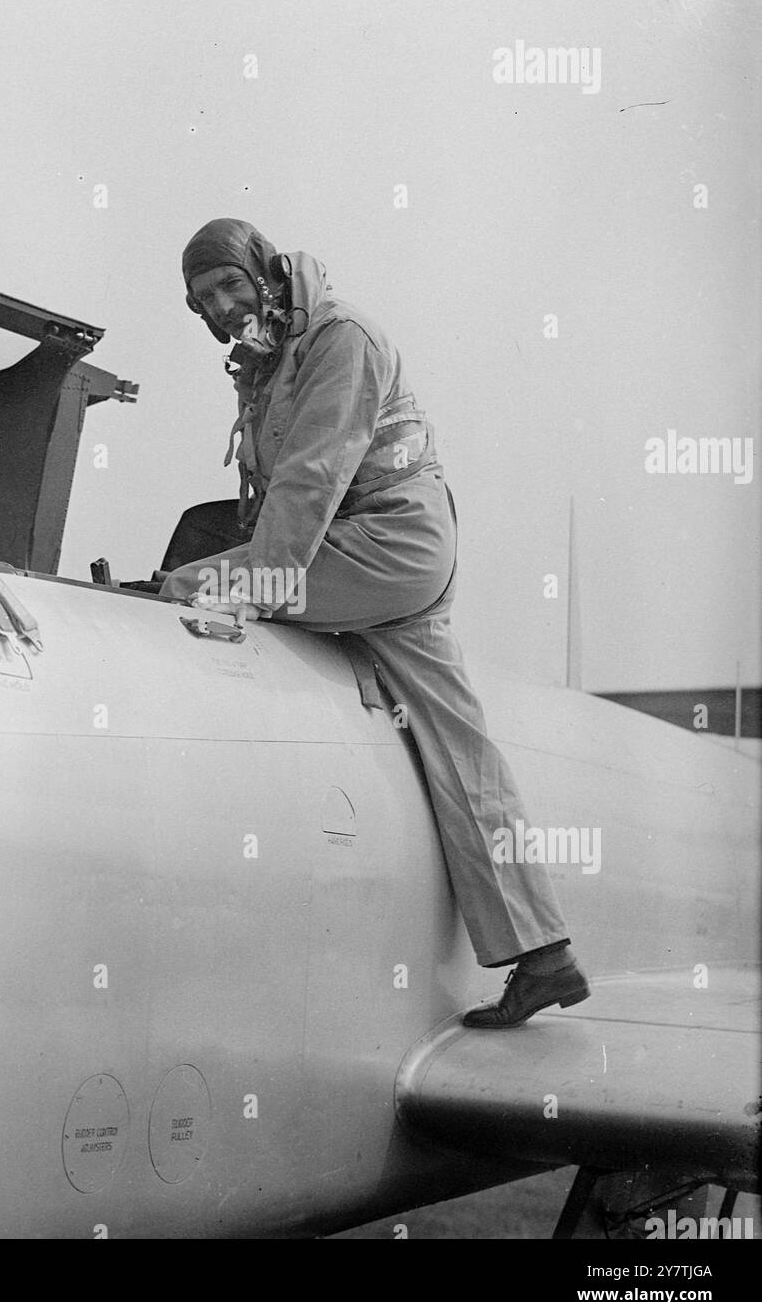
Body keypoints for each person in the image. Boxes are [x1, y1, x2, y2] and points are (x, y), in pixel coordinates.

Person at [159, 218, 590, 1027]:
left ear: (265, 273)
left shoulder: (338, 338)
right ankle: (544, 956)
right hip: (378, 553)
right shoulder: (267, 356)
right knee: (460, 752)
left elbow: (308, 482)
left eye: (230, 285)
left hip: (385, 545)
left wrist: (238, 582)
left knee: (183, 587)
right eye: (204, 298)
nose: (221, 307)